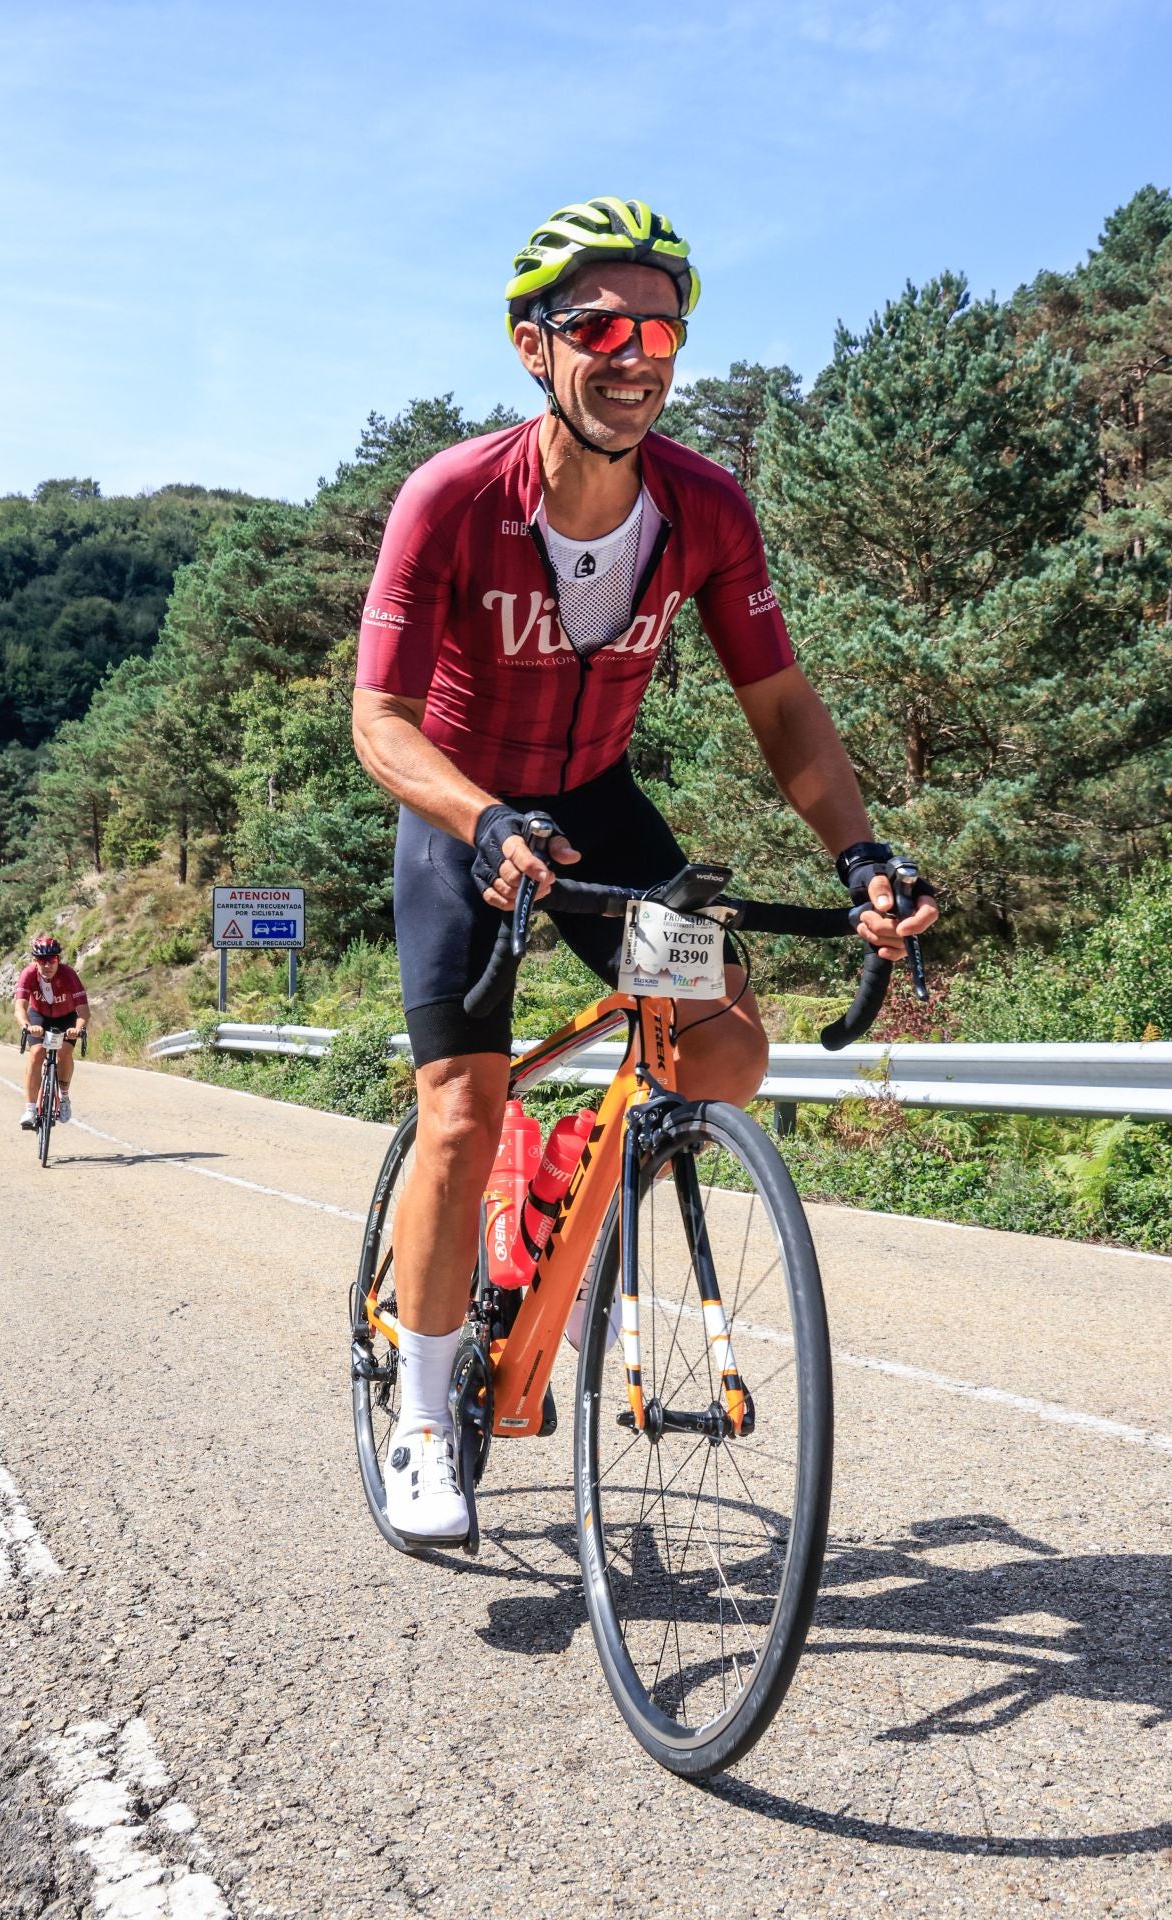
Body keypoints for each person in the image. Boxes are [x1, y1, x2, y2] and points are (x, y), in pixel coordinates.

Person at [352, 196, 938, 1544]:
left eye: (661, 327)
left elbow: (779, 705)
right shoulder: (449, 498)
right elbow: (374, 723)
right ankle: (428, 1418)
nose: (637, 352)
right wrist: (480, 817)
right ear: (530, 347)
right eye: (600, 326)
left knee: (723, 1045)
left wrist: (854, 853)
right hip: (462, 810)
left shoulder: (701, 509)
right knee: (458, 1107)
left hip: (599, 805)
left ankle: (567, 1175)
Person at [14, 934, 89, 1128]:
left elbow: (83, 1011)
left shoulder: (69, 975)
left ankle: (64, 1097)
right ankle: (30, 1109)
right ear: (35, 961)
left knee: (64, 1051)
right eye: (42, 960)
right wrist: (26, 1025)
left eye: (52, 959)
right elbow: (20, 1007)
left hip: (66, 1018)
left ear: (58, 960)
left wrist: (77, 1029)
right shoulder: (28, 974)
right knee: (37, 1053)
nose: (47, 965)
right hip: (39, 1017)